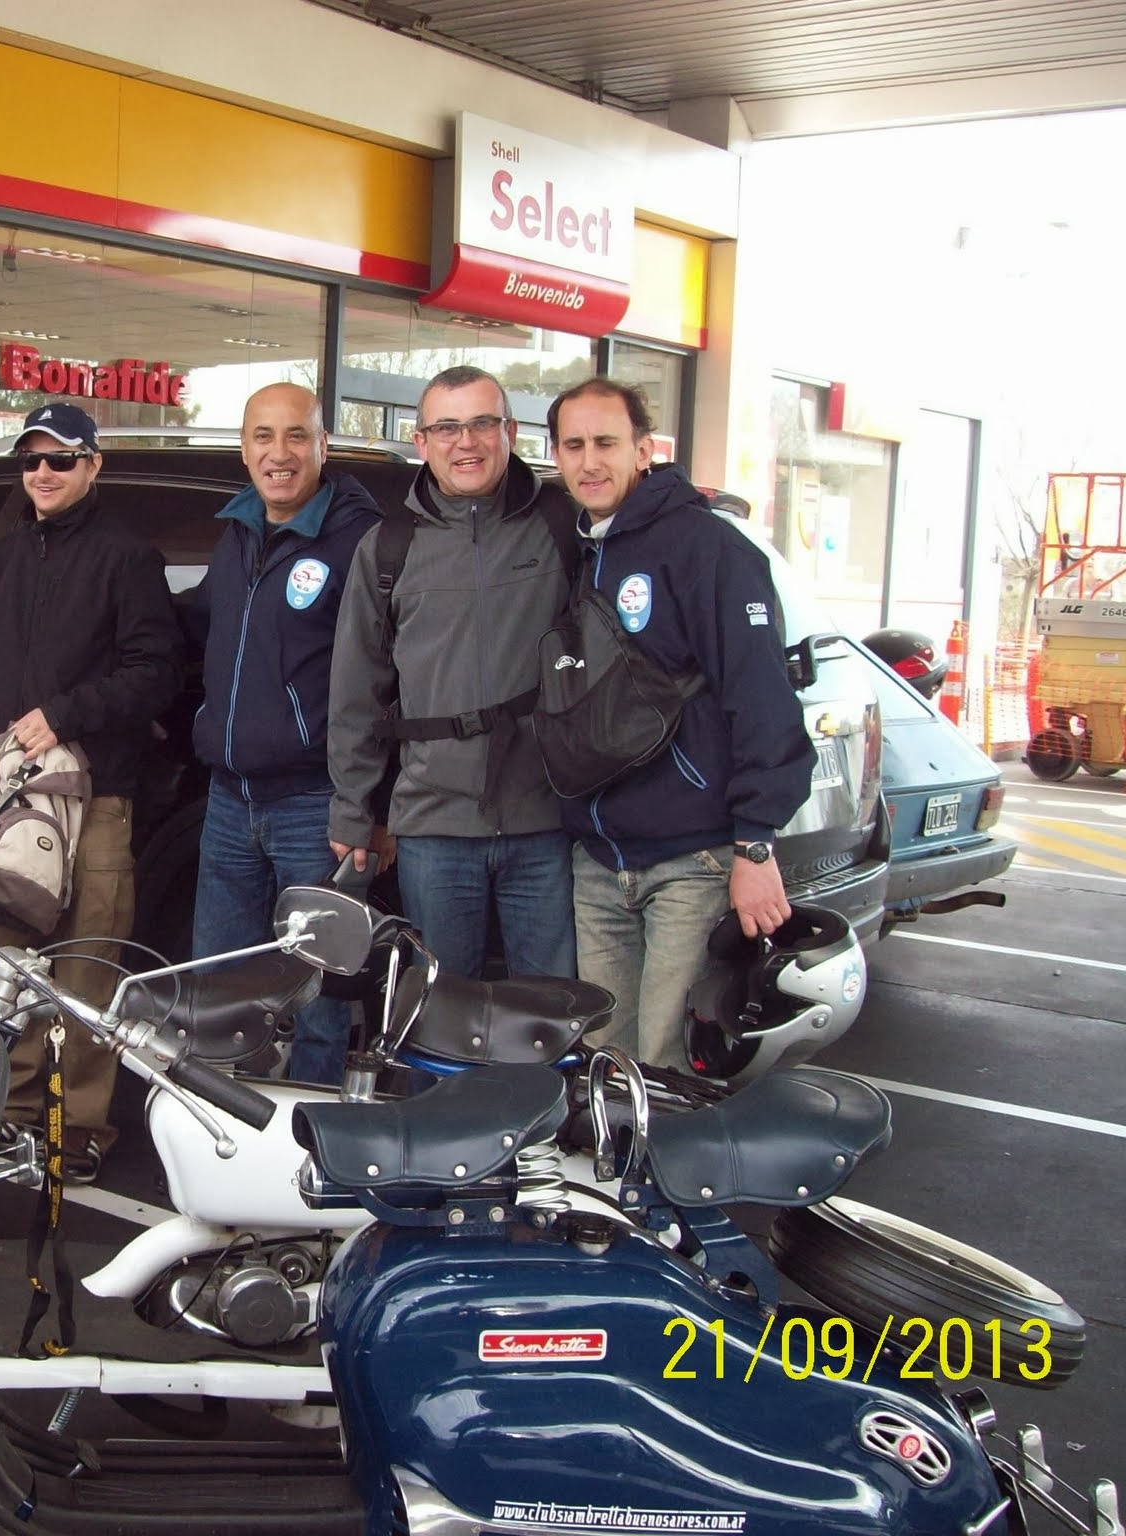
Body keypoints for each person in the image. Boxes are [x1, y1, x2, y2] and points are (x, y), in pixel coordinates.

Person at [0, 403, 179, 1180]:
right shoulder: (0, 559)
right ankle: (19, 1114)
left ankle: (80, 1125)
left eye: (61, 458)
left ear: (93, 466)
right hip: (7, 801)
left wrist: (64, 714)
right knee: (9, 962)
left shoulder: (129, 558)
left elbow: (155, 674)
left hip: (96, 797)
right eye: (32, 460)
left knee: (85, 963)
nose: (44, 473)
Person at [547, 377, 815, 1068]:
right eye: (573, 446)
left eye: (606, 443)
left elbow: (761, 698)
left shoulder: (706, 549)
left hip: (689, 861)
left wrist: (755, 846)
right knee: (607, 1067)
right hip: (599, 859)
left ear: (644, 450)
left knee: (668, 1067)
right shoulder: (579, 550)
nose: (589, 462)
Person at [325, 364, 576, 981]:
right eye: (446, 428)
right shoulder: (388, 546)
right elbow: (356, 692)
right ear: (422, 442)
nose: (466, 442)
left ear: (510, 431)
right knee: (440, 1008)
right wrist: (354, 809)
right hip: (433, 826)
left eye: (483, 423)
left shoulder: (562, 526)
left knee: (548, 1009)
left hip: (546, 820)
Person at [182, 383, 379, 1084]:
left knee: (320, 994)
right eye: (263, 436)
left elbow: (386, 678)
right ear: (244, 449)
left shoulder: (360, 540)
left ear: (324, 445)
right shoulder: (237, 531)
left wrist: (370, 805)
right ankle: (218, 1117)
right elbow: (204, 633)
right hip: (229, 802)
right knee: (218, 983)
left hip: (316, 805)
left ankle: (312, 1125)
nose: (279, 453)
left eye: (297, 435)